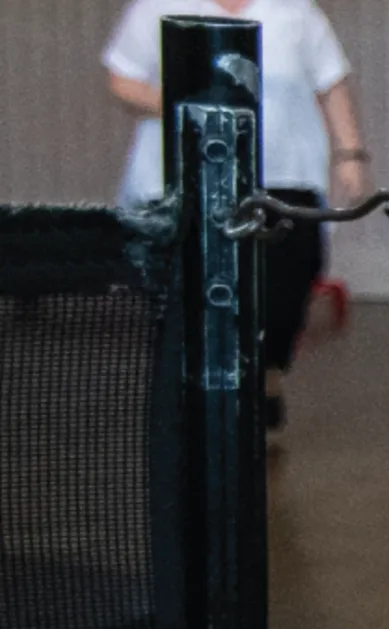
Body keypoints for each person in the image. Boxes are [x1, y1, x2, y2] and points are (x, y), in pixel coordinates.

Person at [105, 0, 368, 429]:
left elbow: (331, 83)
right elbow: (122, 80)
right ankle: (196, 400)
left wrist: (350, 154)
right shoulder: (158, 6)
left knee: (286, 283)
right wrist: (198, 101)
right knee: (192, 291)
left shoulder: (295, 11)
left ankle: (266, 379)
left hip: (282, 175)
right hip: (184, 177)